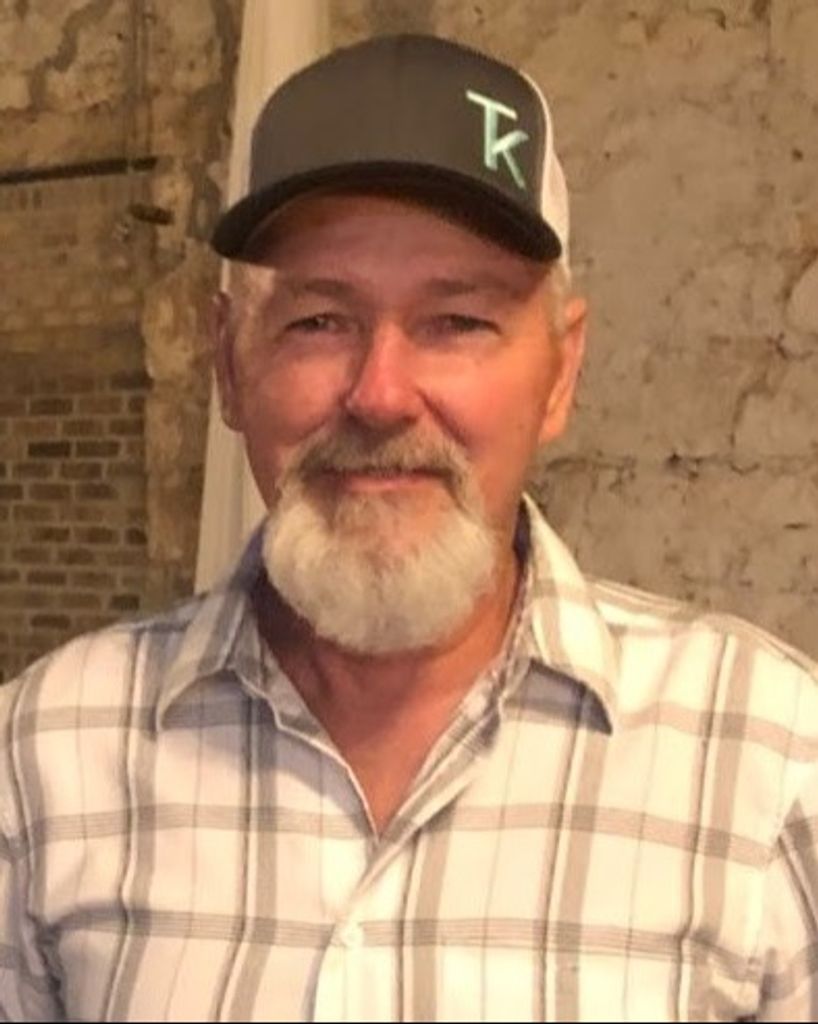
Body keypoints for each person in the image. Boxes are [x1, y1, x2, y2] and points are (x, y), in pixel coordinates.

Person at [1, 33, 816, 1023]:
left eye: (457, 321)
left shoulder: (768, 764)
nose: (380, 394)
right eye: (318, 321)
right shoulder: (43, 758)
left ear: (560, 372)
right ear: (228, 365)